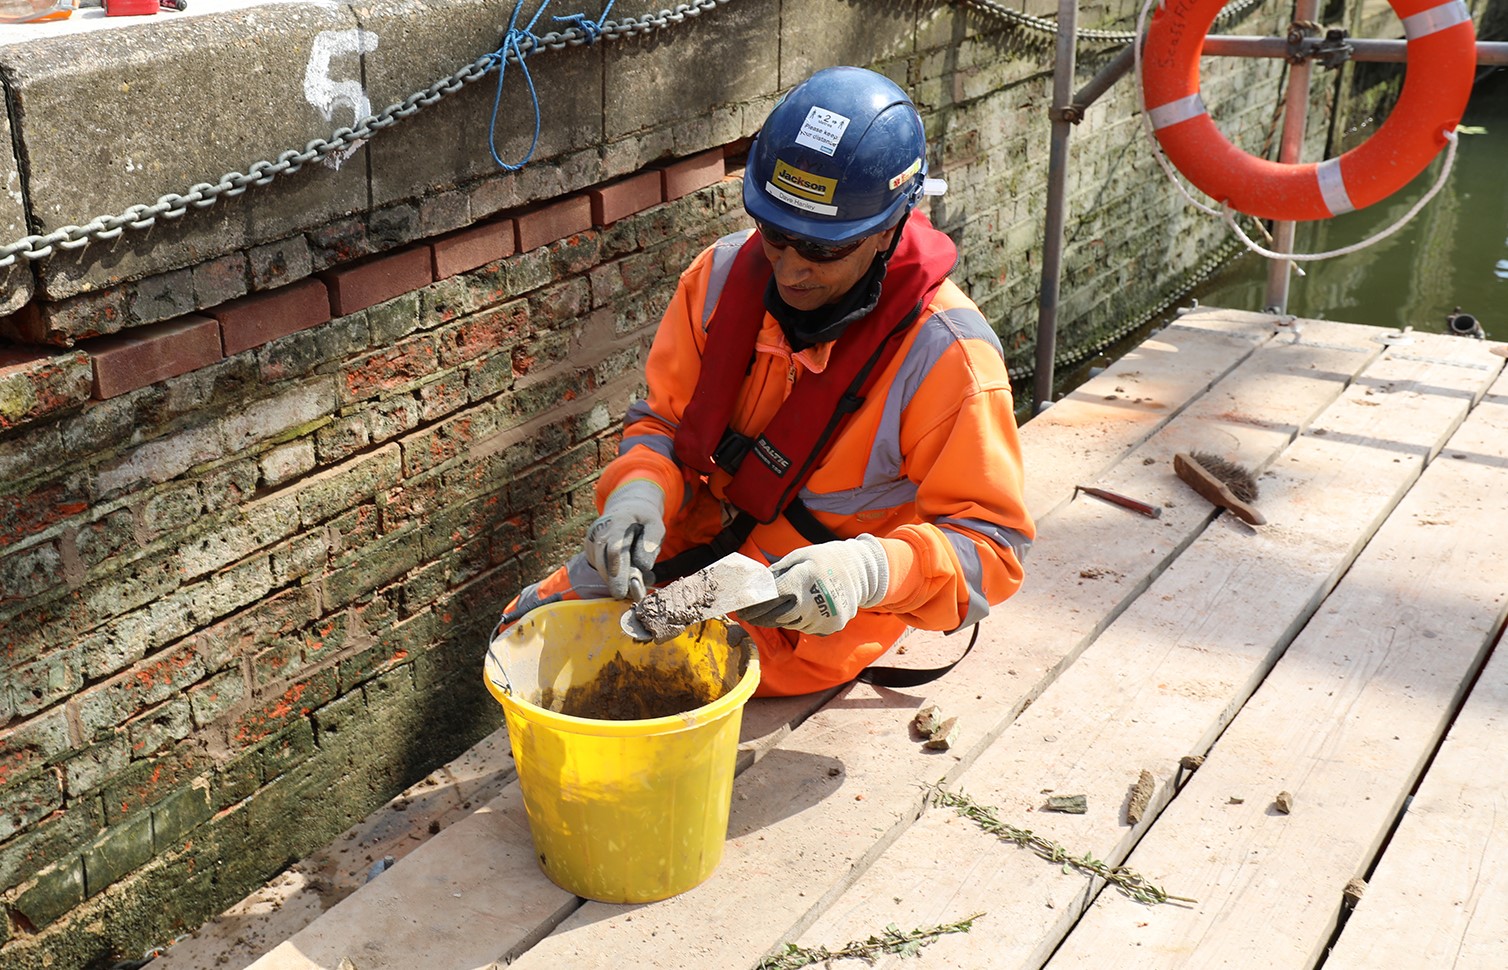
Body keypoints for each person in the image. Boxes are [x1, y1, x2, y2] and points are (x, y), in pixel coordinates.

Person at [502, 66, 1034, 696]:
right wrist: (636, 496)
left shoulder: (947, 357)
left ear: (889, 230)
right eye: (776, 236)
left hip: (814, 609)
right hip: (698, 545)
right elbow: (664, 424)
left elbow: (991, 550)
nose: (791, 269)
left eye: (823, 249)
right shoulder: (720, 280)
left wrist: (868, 570)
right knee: (525, 629)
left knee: (651, 688)